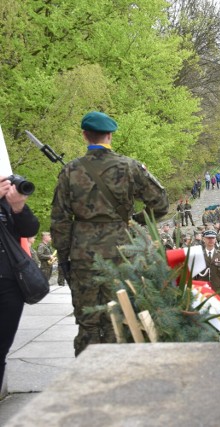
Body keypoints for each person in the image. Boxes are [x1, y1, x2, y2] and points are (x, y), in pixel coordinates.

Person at [50, 111, 169, 356]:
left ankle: (86, 376)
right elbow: (160, 204)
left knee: (88, 320)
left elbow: (60, 220)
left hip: (84, 256)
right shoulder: (130, 167)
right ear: (110, 136)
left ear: (85, 135)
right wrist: (132, 220)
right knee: (121, 315)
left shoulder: (70, 171)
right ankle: (116, 374)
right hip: (121, 253)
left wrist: (64, 258)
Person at [1, 175, 40, 386]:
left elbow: (30, 229)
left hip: (9, 284)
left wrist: (18, 207)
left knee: (1, 351)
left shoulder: (5, 202)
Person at [195, 230, 220, 301]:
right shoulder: (198, 255)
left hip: (217, 291)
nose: (210, 240)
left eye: (212, 238)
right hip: (202, 292)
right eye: (208, 238)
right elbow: (194, 276)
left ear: (215, 239)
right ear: (204, 239)